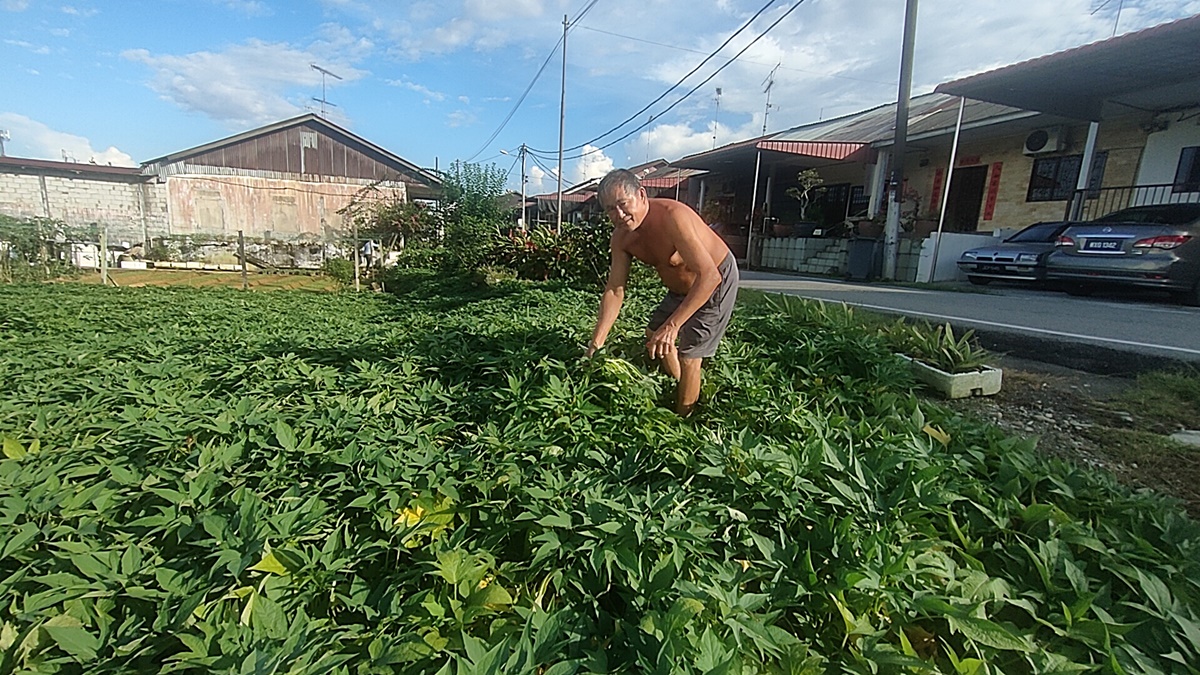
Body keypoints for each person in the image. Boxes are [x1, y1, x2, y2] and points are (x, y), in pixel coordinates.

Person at [585, 169, 738, 415]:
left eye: (623, 204)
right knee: (653, 335)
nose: (620, 215)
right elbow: (615, 290)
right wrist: (597, 342)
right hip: (680, 289)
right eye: (611, 209)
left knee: (690, 355)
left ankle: (684, 422)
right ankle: (681, 385)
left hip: (714, 279)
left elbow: (709, 276)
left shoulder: (673, 217)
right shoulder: (621, 239)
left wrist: (673, 326)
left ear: (642, 195)